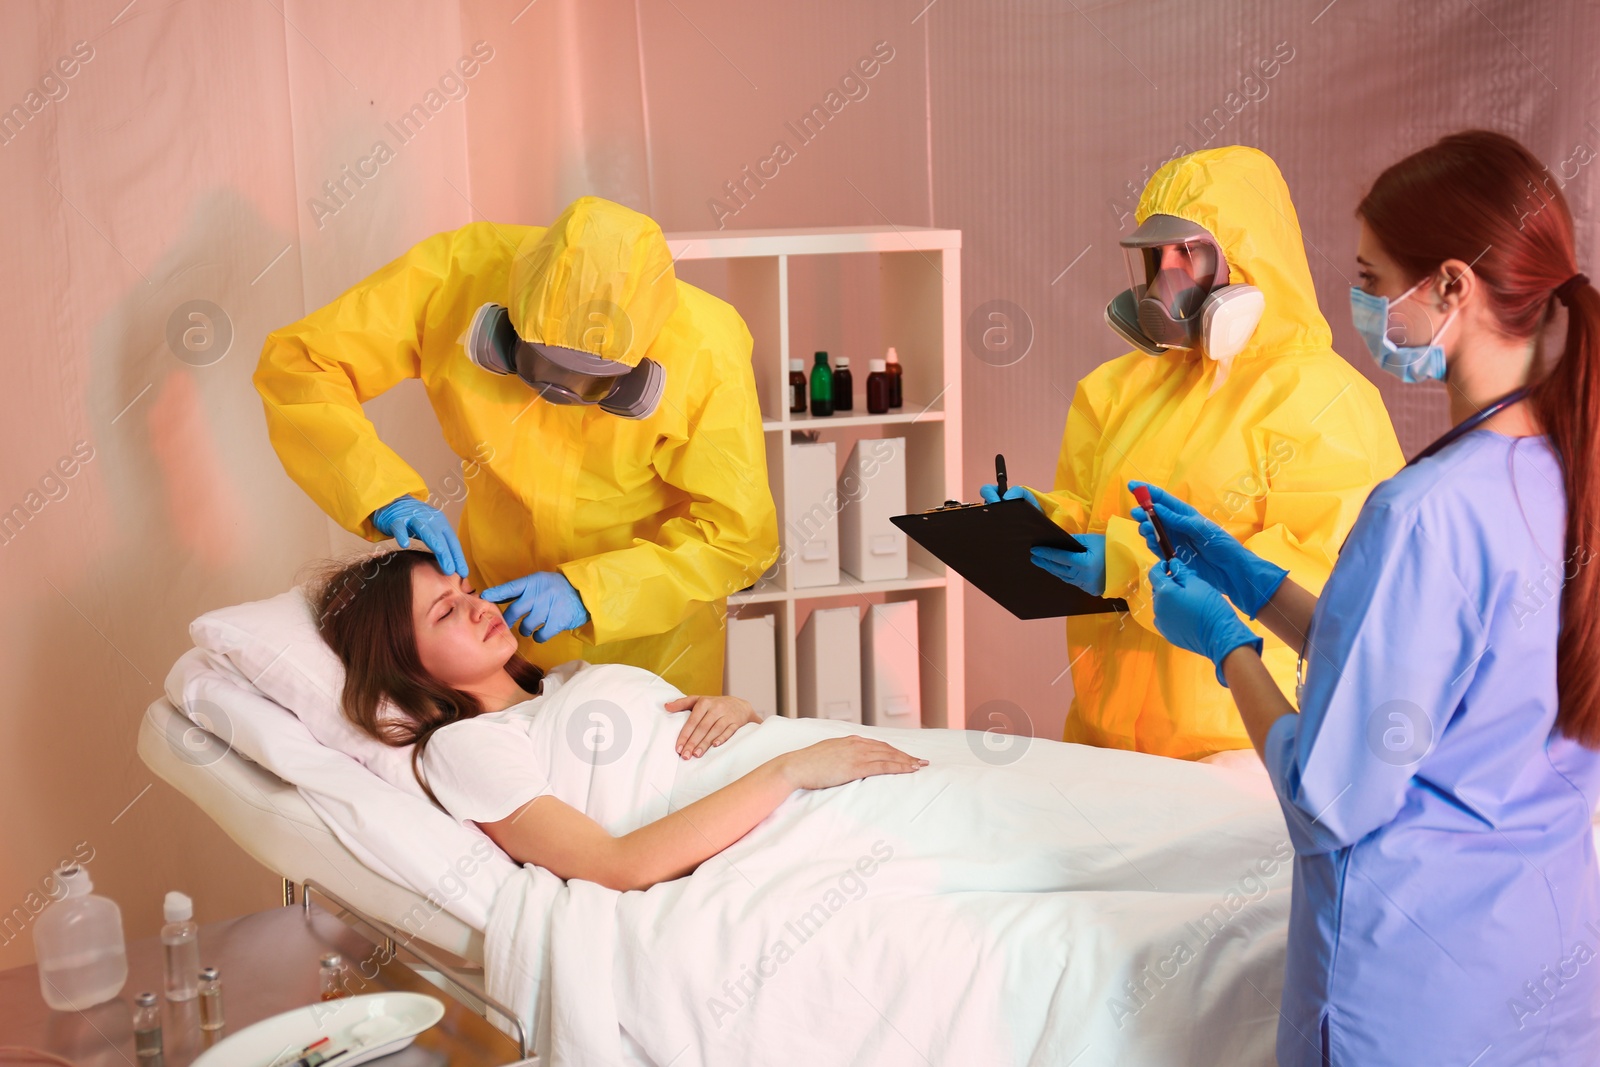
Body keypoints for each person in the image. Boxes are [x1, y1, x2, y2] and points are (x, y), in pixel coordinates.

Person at [1137, 131, 1600, 1064]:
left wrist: (1227, 646)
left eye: (1371, 275)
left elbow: (1328, 796)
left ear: (1452, 288)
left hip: (1409, 998)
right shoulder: (1570, 472)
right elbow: (1425, 672)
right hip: (1547, 973)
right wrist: (1250, 579)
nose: (1362, 304)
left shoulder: (1425, 510)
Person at [255, 196, 779, 696]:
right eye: (540, 364)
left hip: (648, 634)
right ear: (504, 320)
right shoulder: (456, 275)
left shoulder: (706, 348)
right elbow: (301, 364)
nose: (557, 392)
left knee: (647, 778)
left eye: (589, 382)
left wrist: (593, 594)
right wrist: (380, 492)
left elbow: (739, 540)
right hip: (500, 612)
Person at [985, 145, 1405, 760]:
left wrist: (1125, 564)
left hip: (1243, 748)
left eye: (1193, 250)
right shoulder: (1115, 388)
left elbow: (1305, 584)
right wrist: (1039, 524)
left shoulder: (1326, 400)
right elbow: (1092, 512)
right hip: (1106, 740)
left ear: (1250, 257)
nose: (1170, 273)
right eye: (1161, 252)